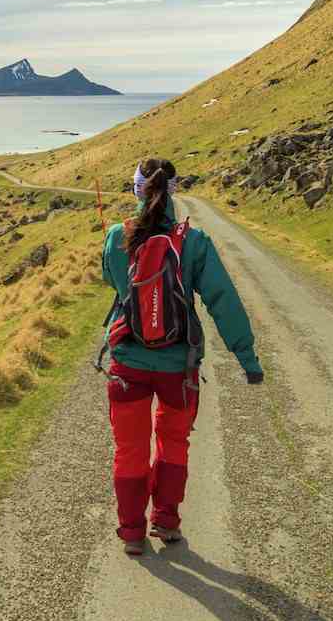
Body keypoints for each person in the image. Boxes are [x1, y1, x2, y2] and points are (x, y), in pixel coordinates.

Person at [100, 158, 263, 556]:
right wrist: (248, 359)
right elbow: (223, 300)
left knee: (130, 448)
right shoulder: (193, 241)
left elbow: (110, 278)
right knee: (173, 443)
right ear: (173, 189)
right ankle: (166, 523)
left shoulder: (117, 236)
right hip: (180, 365)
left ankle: (132, 533)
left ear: (136, 188)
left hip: (127, 364)